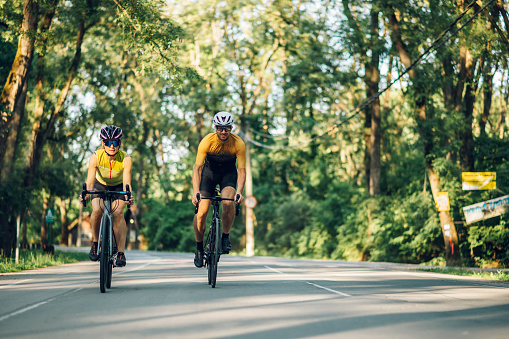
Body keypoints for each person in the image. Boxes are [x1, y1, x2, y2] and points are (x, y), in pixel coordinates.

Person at [192, 111, 246, 267]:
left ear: (231, 128)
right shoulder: (206, 142)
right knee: (201, 212)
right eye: (220, 128)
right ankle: (199, 248)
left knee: (228, 202)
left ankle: (225, 237)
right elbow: (197, 168)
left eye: (227, 128)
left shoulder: (238, 143)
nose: (223, 132)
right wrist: (196, 191)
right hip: (209, 174)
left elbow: (242, 171)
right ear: (215, 127)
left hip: (228, 174)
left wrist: (239, 192)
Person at [80, 125, 134, 267]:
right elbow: (90, 182)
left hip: (118, 186)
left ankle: (121, 252)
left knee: (118, 213)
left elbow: (126, 183)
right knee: (97, 210)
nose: (111, 146)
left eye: (115, 142)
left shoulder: (126, 159)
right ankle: (95, 242)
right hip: (100, 184)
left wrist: (129, 195)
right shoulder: (96, 157)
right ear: (103, 144)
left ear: (119, 144)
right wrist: (86, 195)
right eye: (108, 143)